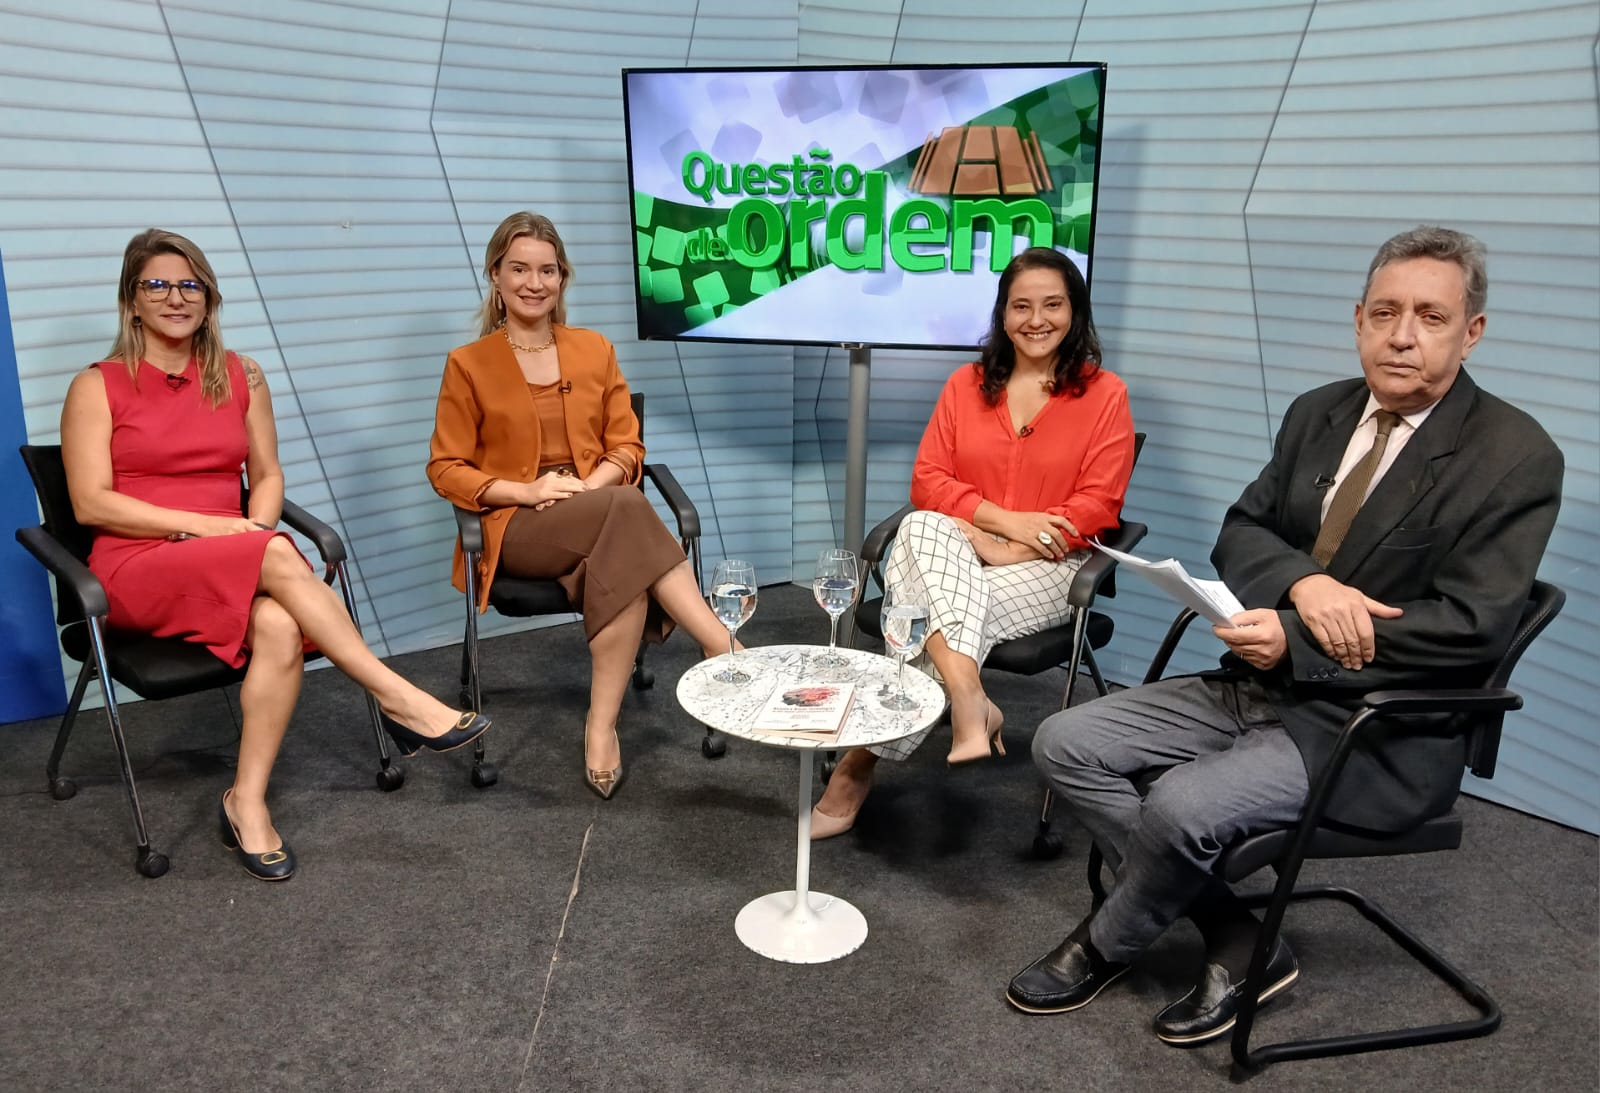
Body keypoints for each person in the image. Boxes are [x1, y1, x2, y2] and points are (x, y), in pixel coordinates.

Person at [1008, 225, 1564, 1045]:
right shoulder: (1319, 412)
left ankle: (1104, 942)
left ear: (1471, 331)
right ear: (1358, 319)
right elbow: (1242, 530)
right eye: (1385, 312)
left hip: (1374, 721)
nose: (1402, 335)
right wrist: (1305, 585)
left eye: (1430, 316)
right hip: (1257, 681)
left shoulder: (1515, 456)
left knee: (1181, 804)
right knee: (1064, 742)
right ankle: (1240, 935)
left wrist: (1301, 638)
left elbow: (1474, 628)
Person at [60, 229, 490, 882]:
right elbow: (90, 503)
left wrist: (251, 530)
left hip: (231, 551)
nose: (176, 297)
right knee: (274, 555)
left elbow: (266, 474)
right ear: (132, 300)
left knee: (282, 623)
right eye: (158, 284)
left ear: (209, 297)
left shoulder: (242, 375)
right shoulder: (97, 385)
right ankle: (397, 698)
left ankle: (247, 801)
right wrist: (211, 530)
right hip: (135, 567)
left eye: (190, 284)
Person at [810, 247, 1137, 839]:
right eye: (1021, 306)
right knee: (921, 525)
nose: (1036, 320)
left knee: (921, 612)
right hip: (964, 551)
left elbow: (1098, 504)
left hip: (1053, 567)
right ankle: (969, 695)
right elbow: (927, 481)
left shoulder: (1105, 394)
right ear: (1003, 315)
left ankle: (857, 766)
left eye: (1053, 305)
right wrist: (1004, 526)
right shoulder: (966, 386)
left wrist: (1016, 546)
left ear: (1075, 311)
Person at [427, 211, 737, 800]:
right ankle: (722, 646)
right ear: (496, 276)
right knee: (625, 512)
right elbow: (446, 467)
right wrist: (528, 491)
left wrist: (593, 486)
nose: (534, 283)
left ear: (562, 277)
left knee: (617, 553)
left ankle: (601, 727)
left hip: (597, 512)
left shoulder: (594, 349)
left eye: (548, 270)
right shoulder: (468, 364)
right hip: (517, 525)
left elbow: (627, 446)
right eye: (519, 269)